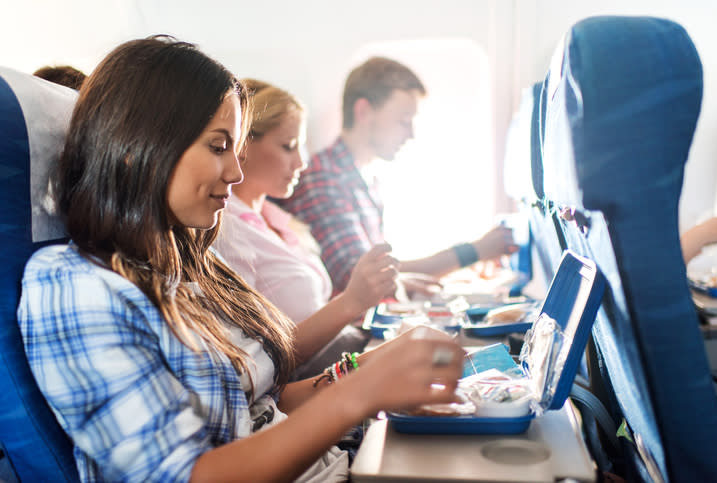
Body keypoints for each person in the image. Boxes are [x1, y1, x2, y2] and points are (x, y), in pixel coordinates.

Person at [17, 36, 463, 482]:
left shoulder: (188, 263)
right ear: (137, 145)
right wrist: (358, 395)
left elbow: (265, 410)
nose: (235, 172)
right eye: (217, 147)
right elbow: (188, 476)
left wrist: (373, 367)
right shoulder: (75, 287)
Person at [277, 56, 517, 295]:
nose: (410, 133)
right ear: (363, 111)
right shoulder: (323, 180)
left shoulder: (367, 183)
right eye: (403, 121)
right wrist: (473, 252)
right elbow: (364, 278)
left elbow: (387, 271)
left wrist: (452, 276)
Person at [214, 78, 398, 378]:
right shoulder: (227, 230)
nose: (302, 162)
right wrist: (351, 302)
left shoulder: (276, 219)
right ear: (242, 146)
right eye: (289, 146)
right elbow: (262, 361)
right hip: (309, 380)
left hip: (340, 355)